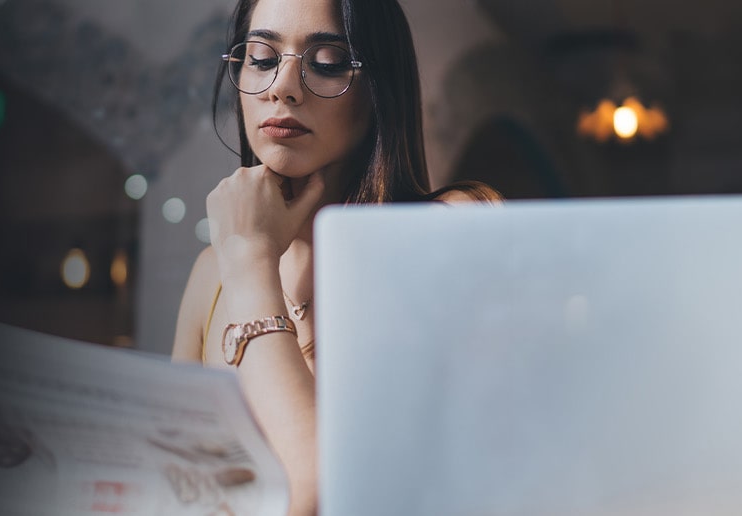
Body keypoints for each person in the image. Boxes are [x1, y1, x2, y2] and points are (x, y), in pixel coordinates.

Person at [168, 0, 501, 514]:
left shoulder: (444, 231)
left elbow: (324, 496)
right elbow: (173, 486)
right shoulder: (211, 276)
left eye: (326, 62)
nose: (283, 87)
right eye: (260, 58)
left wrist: (252, 261)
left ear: (379, 88)